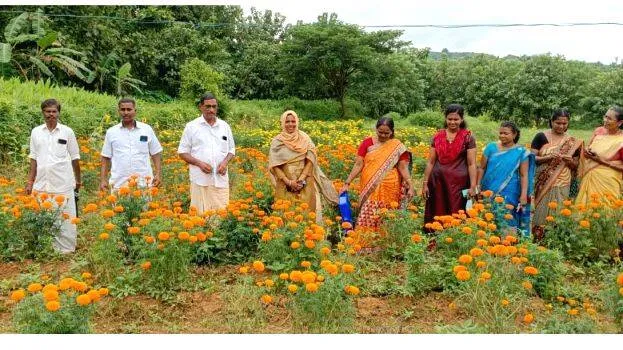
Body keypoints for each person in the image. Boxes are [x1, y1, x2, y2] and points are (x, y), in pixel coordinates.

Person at [340, 116, 414, 232]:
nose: (383, 135)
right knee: (367, 213)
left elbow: (403, 166)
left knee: (387, 214)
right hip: (369, 184)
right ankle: (364, 242)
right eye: (380, 132)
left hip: (390, 187)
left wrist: (410, 184)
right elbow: (359, 164)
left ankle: (385, 244)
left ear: (392, 131)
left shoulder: (397, 146)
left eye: (387, 133)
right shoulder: (367, 143)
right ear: (376, 129)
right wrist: (347, 183)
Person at [25, 99, 81, 253]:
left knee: (65, 216)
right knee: (43, 215)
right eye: (48, 111)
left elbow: (75, 158)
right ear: (43, 112)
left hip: (63, 181)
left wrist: (78, 180)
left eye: (54, 111)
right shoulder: (36, 132)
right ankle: (46, 248)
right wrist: (30, 181)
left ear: (58, 113)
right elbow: (34, 159)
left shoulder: (67, 132)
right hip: (41, 182)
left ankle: (66, 250)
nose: (51, 114)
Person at [268, 110, 338, 221]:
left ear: (297, 122)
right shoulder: (277, 141)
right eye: (287, 121)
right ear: (282, 123)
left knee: (307, 214)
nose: (290, 124)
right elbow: (275, 165)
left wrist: (301, 180)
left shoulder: (305, 138)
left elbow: (310, 160)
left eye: (293, 121)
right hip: (285, 183)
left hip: (306, 181)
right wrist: (289, 182)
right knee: (285, 214)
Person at [422, 104, 477, 231]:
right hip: (437, 183)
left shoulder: (468, 137)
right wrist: (425, 183)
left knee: (456, 211)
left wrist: (473, 186)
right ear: (445, 119)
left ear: (461, 119)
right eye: (450, 119)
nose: (452, 122)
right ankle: (434, 239)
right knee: (437, 210)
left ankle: (452, 240)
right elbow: (431, 162)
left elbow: (471, 163)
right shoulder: (437, 136)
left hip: (459, 184)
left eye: (456, 119)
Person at [178, 93, 235, 213]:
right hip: (200, 179)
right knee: (199, 215)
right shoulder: (192, 127)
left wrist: (225, 163)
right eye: (208, 106)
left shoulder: (224, 126)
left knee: (221, 215)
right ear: (201, 107)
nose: (211, 110)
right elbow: (183, 152)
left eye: (214, 106)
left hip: (220, 179)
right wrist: (199, 163)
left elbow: (231, 150)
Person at [531, 109, 582, 237]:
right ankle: (538, 239)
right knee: (541, 210)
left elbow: (576, 165)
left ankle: (555, 239)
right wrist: (547, 158)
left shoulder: (572, 142)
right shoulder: (541, 136)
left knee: (559, 211)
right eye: (558, 123)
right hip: (543, 180)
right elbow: (532, 158)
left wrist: (570, 161)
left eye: (565, 123)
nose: (561, 126)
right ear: (551, 121)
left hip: (563, 181)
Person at [478, 121, 535, 236]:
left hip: (510, 191)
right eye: (500, 133)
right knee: (487, 216)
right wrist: (478, 185)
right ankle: (487, 242)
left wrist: (524, 194)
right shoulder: (491, 147)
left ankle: (507, 244)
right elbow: (481, 168)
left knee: (507, 216)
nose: (502, 136)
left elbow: (524, 175)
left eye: (506, 133)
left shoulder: (521, 152)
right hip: (488, 189)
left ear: (514, 135)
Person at [100, 98, 163, 191]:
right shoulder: (111, 132)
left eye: (129, 109)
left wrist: (158, 174)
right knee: (119, 205)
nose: (126, 112)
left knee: (144, 205)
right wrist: (103, 180)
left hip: (143, 182)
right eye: (123, 109)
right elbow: (106, 157)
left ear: (135, 111)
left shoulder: (146, 129)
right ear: (118, 111)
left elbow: (155, 153)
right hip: (119, 183)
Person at [575, 106, 623, 206]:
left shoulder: (621, 140)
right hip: (589, 175)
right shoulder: (599, 131)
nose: (605, 120)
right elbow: (588, 149)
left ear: (620, 122)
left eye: (609, 119)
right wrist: (587, 152)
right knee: (584, 208)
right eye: (605, 116)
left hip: (608, 181)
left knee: (605, 211)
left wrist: (601, 160)